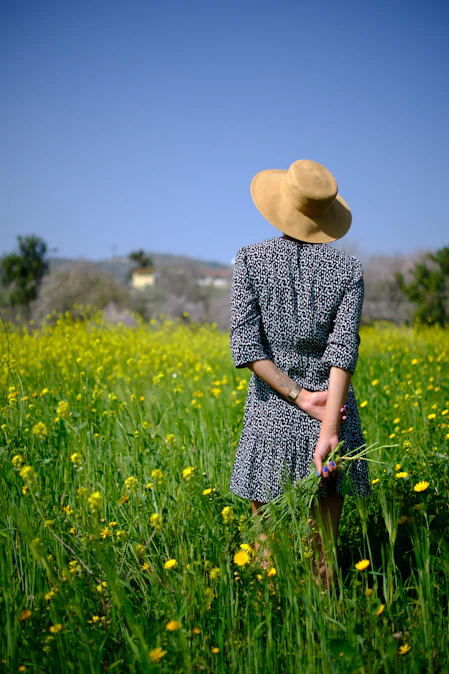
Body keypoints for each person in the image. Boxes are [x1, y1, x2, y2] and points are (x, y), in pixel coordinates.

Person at [229, 159, 369, 582]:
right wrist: (328, 428)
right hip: (333, 414)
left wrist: (298, 396)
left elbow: (245, 346)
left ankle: (275, 630)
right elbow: (343, 354)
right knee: (325, 563)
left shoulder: (250, 261)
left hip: (270, 415)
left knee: (266, 558)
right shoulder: (349, 271)